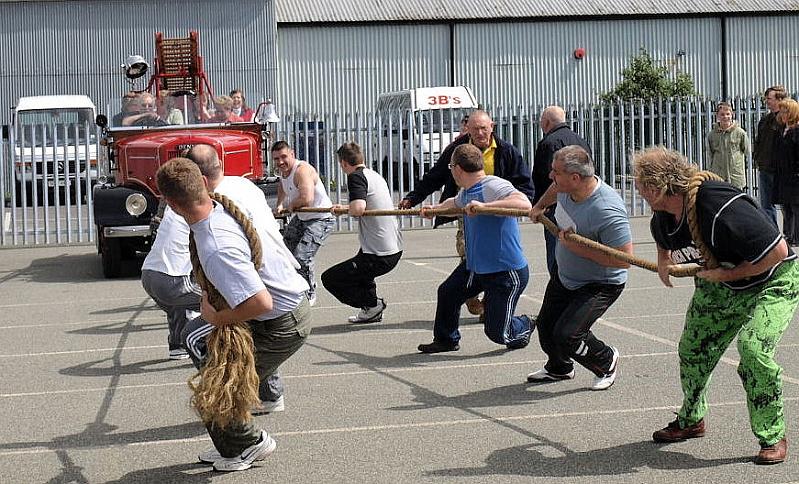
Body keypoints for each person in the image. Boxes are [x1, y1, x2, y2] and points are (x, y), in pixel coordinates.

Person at [633, 146, 799, 465]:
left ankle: (772, 435)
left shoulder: (717, 204)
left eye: (639, 183)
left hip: (774, 280)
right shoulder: (664, 213)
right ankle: (692, 419)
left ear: (656, 188)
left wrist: (727, 273)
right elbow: (663, 237)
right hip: (722, 284)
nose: (637, 188)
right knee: (693, 348)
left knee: (752, 352)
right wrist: (663, 260)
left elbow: (777, 251)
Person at [156, 158, 311, 472]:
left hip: (283, 323)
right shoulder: (218, 209)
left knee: (216, 388)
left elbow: (261, 302)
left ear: (171, 204)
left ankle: (248, 443)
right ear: (204, 180)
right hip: (278, 313)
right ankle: (231, 445)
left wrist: (218, 318)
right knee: (195, 340)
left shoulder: (216, 245)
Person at [182, 144, 300, 414]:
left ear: (196, 180)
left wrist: (217, 316)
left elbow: (256, 297)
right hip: (286, 282)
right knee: (249, 332)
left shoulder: (213, 206)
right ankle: (269, 394)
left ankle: (232, 421)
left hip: (273, 298)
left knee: (195, 338)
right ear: (219, 163)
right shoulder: (244, 185)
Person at [398, 110, 534, 314]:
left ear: (492, 127)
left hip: (497, 211)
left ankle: (492, 303)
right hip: (468, 208)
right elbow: (435, 175)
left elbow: (524, 184)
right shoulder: (458, 150)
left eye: (484, 128)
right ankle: (471, 293)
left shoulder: (507, 151)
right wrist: (414, 198)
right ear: (467, 129)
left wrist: (515, 205)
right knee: (467, 250)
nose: (480, 133)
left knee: (498, 253)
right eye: (475, 129)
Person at [526, 145, 631, 391]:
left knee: (568, 335)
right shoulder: (565, 187)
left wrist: (576, 248)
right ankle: (559, 368)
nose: (551, 176)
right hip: (566, 276)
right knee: (547, 327)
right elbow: (554, 189)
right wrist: (539, 206)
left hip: (600, 283)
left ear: (575, 178)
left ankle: (606, 360)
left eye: (556, 172)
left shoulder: (607, 210)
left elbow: (623, 259)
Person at [416, 144, 534, 353]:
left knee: (498, 333)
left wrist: (485, 207)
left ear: (458, 169)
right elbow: (456, 203)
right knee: (448, 293)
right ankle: (446, 339)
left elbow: (524, 204)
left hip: (505, 271)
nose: (451, 171)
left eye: (451, 167)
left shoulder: (492, 185)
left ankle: (526, 324)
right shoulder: (468, 190)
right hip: (477, 267)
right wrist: (435, 210)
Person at [321, 142, 403, 323]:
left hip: (380, 254)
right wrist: (344, 208)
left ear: (343, 163)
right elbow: (364, 205)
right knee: (362, 271)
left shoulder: (356, 177)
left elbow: (358, 208)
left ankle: (373, 304)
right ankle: (372, 311)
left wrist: (348, 208)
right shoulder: (373, 175)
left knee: (331, 279)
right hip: (390, 247)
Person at [273, 140, 335, 305]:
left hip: (321, 218)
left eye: (284, 157)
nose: (280, 162)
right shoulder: (283, 172)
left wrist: (291, 205)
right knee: (283, 251)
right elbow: (282, 186)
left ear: (292, 154)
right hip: (303, 218)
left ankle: (309, 292)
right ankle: (289, 289)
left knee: (301, 257)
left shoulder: (302, 170)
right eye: (276, 159)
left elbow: (307, 199)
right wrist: (280, 204)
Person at [532, 105, 592, 277]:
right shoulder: (580, 140)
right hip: (582, 205)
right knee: (579, 251)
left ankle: (560, 288)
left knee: (557, 255)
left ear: (546, 122)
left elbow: (547, 178)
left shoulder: (548, 143)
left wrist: (539, 205)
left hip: (556, 207)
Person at [140, 200, 200, 361]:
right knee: (222, 302)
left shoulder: (172, 209)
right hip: (171, 279)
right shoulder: (198, 213)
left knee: (178, 306)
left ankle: (177, 345)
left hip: (148, 274)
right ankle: (207, 347)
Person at [753, 85, 788, 226]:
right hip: (765, 167)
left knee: (787, 204)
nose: (767, 101)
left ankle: (790, 235)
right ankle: (774, 235)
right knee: (766, 205)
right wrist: (758, 157)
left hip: (782, 170)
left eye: (769, 98)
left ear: (779, 99)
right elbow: (759, 141)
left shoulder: (786, 120)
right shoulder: (765, 120)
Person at [706, 102, 749, 190]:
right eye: (722, 114)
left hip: (735, 176)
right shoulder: (712, 135)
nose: (725, 117)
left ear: (732, 115)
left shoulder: (740, 133)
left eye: (728, 114)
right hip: (718, 175)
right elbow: (710, 154)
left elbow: (746, 150)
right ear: (717, 116)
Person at [773, 99, 799, 245]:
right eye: (781, 111)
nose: (782, 114)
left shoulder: (797, 130)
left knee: (796, 207)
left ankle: (796, 237)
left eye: (785, 111)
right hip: (783, 175)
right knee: (786, 206)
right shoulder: (782, 130)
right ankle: (788, 234)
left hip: (794, 175)